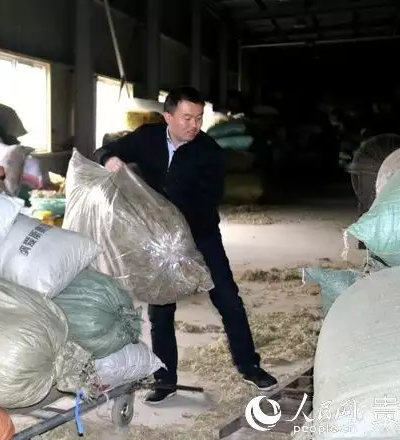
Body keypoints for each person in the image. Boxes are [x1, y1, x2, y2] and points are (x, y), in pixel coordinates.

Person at [94, 86, 278, 404]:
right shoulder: (147, 137)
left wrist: (174, 219)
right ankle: (165, 380)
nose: (194, 125)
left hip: (200, 235)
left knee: (228, 300)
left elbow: (210, 198)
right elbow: (106, 149)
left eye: (199, 118)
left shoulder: (209, 152)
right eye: (187, 117)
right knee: (161, 310)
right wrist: (110, 159)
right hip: (160, 239)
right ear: (168, 116)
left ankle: (251, 367)